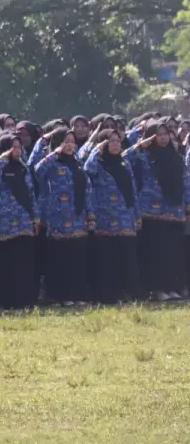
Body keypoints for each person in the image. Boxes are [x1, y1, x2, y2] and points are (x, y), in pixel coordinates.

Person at [127, 120, 189, 300]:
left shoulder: (176, 157)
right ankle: (156, 289)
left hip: (175, 211)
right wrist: (139, 145)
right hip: (151, 213)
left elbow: (186, 181)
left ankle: (172, 286)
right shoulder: (143, 157)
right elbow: (123, 158)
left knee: (173, 252)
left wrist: (188, 205)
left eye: (165, 134)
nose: (163, 138)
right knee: (155, 252)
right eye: (158, 135)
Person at [34, 127, 90, 306]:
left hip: (77, 216)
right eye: (66, 141)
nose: (70, 145)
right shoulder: (51, 162)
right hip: (57, 216)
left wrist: (90, 215)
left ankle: (76, 295)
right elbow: (37, 170)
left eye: (72, 141)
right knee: (59, 258)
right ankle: (58, 296)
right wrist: (53, 153)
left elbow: (87, 189)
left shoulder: (78, 162)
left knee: (77, 258)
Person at [84, 130, 141, 303]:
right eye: (111, 141)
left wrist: (136, 215)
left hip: (126, 218)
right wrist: (97, 149)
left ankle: (129, 293)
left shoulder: (124, 163)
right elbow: (87, 168)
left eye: (118, 141)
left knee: (127, 258)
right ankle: (108, 296)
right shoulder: (98, 164)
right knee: (108, 260)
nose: (116, 144)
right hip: (106, 219)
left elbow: (132, 190)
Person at [0, 133, 38, 309]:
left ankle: (25, 299)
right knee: (7, 262)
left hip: (23, 219)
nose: (16, 150)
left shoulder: (23, 167)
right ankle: (6, 300)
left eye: (18, 147)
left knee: (23, 261)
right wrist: (2, 159)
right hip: (4, 221)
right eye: (12, 147)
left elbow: (31, 193)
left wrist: (35, 217)